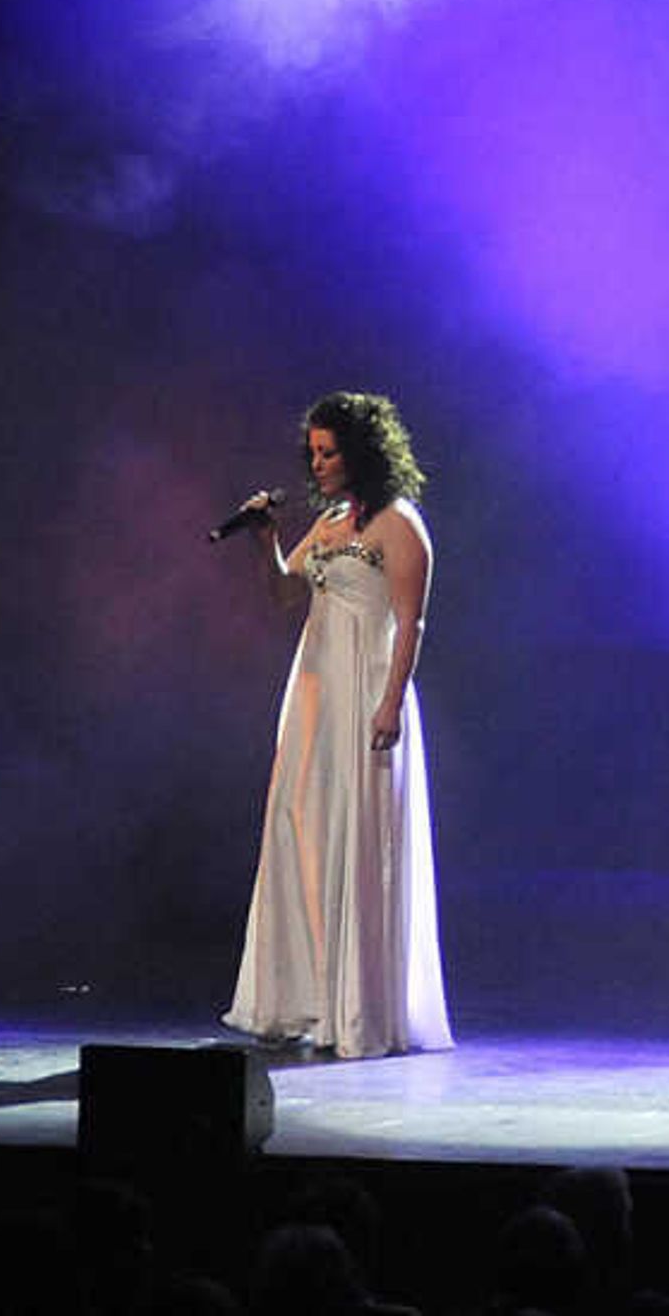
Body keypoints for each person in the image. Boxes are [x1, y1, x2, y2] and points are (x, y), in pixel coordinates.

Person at [223, 391, 452, 1058]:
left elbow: (411, 620)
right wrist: (265, 541)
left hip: (365, 693)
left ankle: (357, 1009)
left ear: (361, 452)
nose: (318, 464)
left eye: (329, 452)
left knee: (355, 835)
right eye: (313, 453)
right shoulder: (327, 525)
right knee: (304, 831)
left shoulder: (398, 524)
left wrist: (389, 701)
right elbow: (286, 592)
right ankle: (309, 999)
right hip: (314, 697)